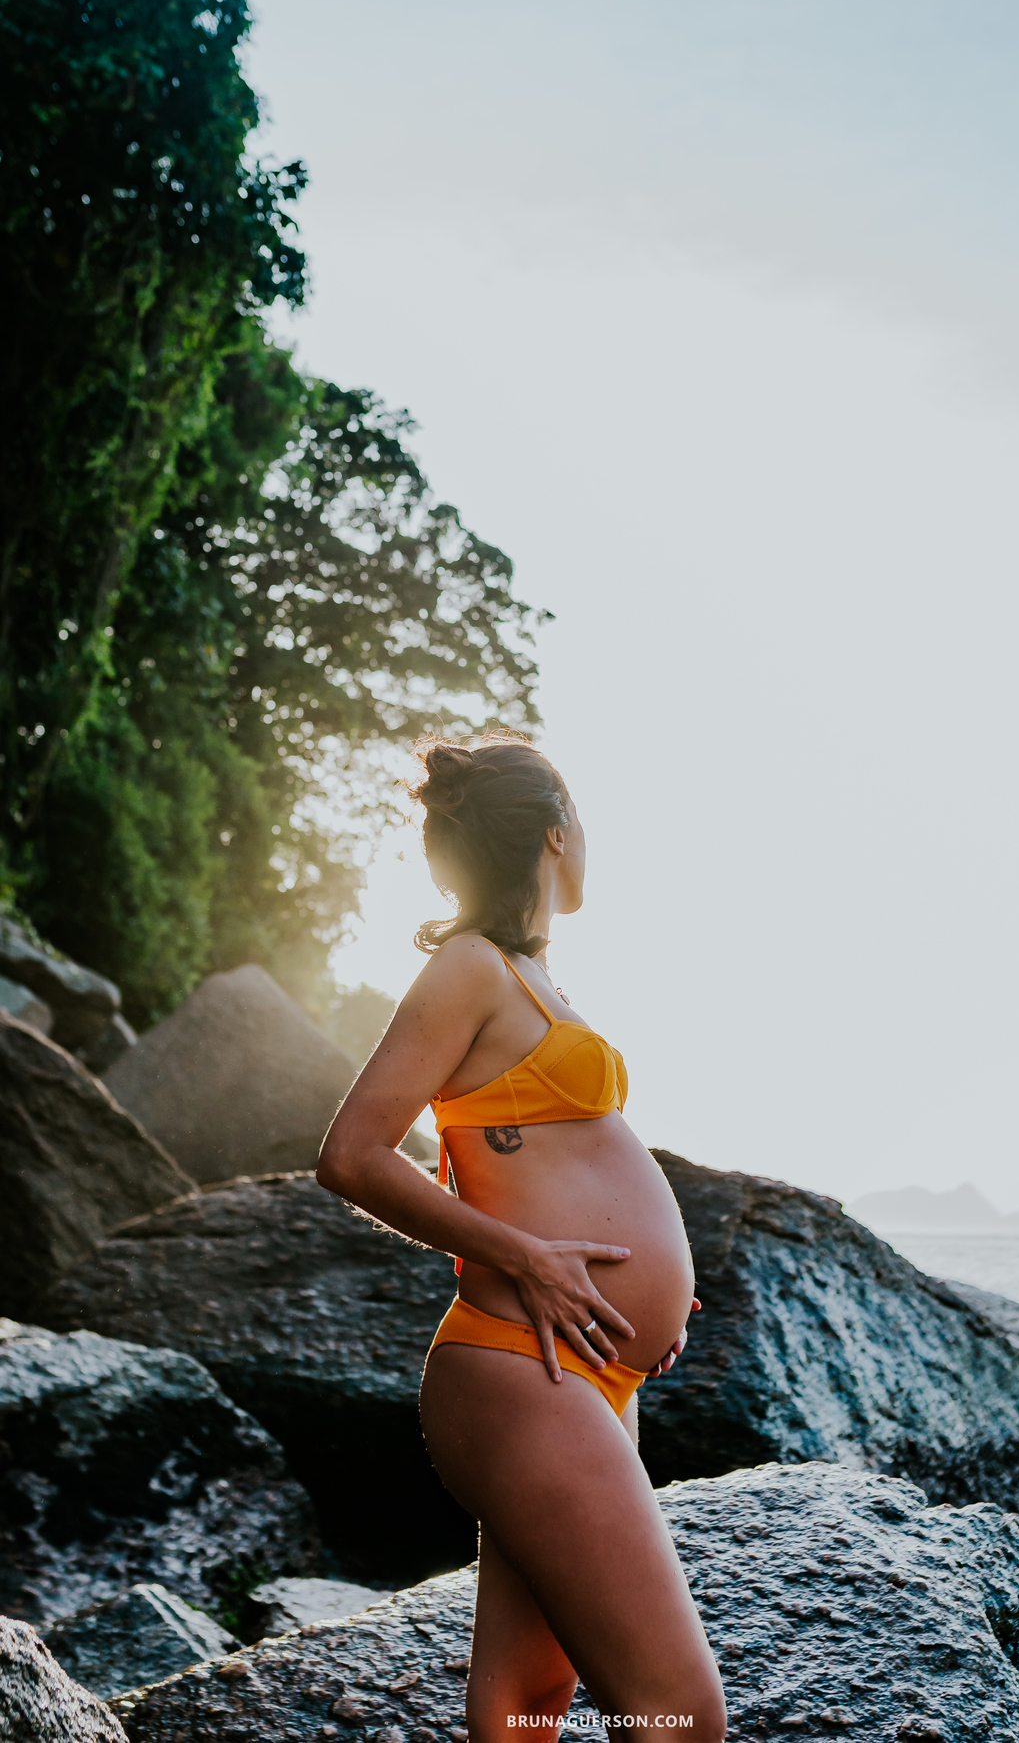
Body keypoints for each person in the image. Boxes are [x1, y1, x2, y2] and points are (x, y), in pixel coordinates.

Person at [317, 736, 726, 1740]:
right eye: (582, 818)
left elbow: (539, 1157)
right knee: (684, 1715)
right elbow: (353, 1153)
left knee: (528, 1704)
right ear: (555, 833)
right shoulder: (470, 966)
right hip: (516, 1362)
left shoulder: (533, 975)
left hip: (586, 1371)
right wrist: (528, 1256)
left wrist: (650, 1305)